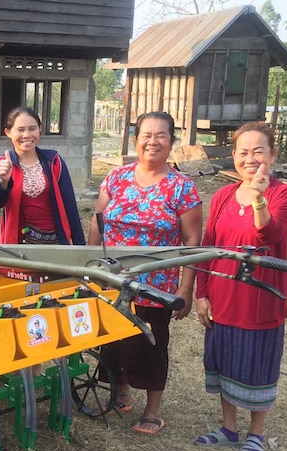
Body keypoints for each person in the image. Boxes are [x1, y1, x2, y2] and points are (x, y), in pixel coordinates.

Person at [87, 111, 202, 434]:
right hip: (113, 278)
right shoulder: (116, 178)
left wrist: (186, 288)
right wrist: (90, 266)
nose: (153, 141)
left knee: (152, 345)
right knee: (112, 339)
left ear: (171, 141)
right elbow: (98, 224)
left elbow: (192, 241)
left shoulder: (182, 187)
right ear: (136, 140)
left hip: (156, 284)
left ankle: (152, 410)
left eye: (161, 135)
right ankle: (119, 393)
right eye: (146, 135)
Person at [193, 122, 287, 451]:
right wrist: (202, 293)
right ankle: (228, 427)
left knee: (258, 361)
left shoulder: (283, 194)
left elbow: (268, 236)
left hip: (261, 296)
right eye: (243, 152)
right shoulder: (223, 195)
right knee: (224, 358)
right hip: (222, 294)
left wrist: (257, 198)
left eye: (258, 151)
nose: (250, 159)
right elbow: (209, 245)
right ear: (234, 156)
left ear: (273, 155)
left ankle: (256, 432)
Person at [0, 106, 85, 245]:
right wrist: (3, 182)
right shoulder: (0, 164)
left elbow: (69, 206)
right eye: (20, 129)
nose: (27, 135)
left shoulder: (54, 162)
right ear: (8, 132)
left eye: (32, 128)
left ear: (39, 129)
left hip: (55, 242)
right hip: (19, 243)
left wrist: (80, 248)